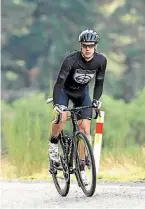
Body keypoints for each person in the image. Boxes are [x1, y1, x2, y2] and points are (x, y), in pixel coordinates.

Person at [48, 29, 107, 184]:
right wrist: (57, 105)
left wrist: (96, 100)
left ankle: (81, 168)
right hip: (64, 91)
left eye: (90, 45)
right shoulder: (71, 60)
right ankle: (53, 145)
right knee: (63, 117)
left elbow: (99, 83)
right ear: (81, 46)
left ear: (95, 46)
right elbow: (59, 83)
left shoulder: (101, 61)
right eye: (84, 45)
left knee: (85, 129)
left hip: (82, 94)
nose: (87, 49)